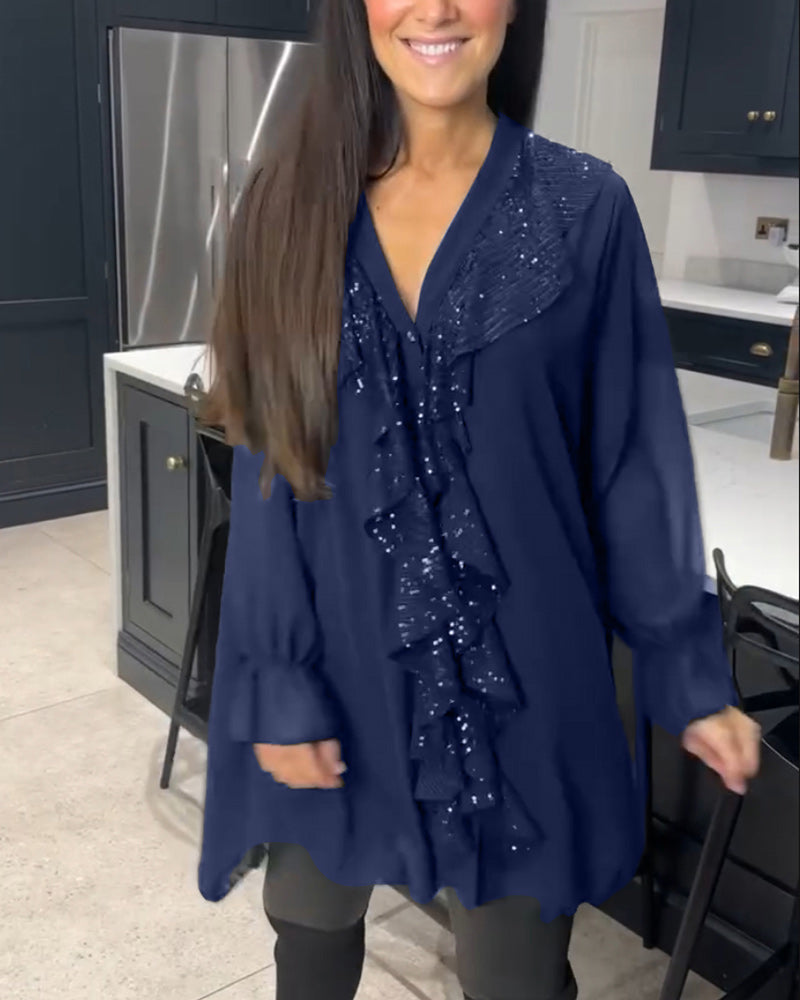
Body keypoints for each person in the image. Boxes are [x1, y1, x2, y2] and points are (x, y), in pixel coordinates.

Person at [196, 2, 762, 998]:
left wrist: (685, 670)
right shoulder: (286, 207)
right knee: (310, 934)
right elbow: (271, 465)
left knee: (514, 975)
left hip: (525, 688)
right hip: (335, 668)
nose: (437, 7)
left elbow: (631, 464)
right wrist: (276, 677)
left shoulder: (584, 208)